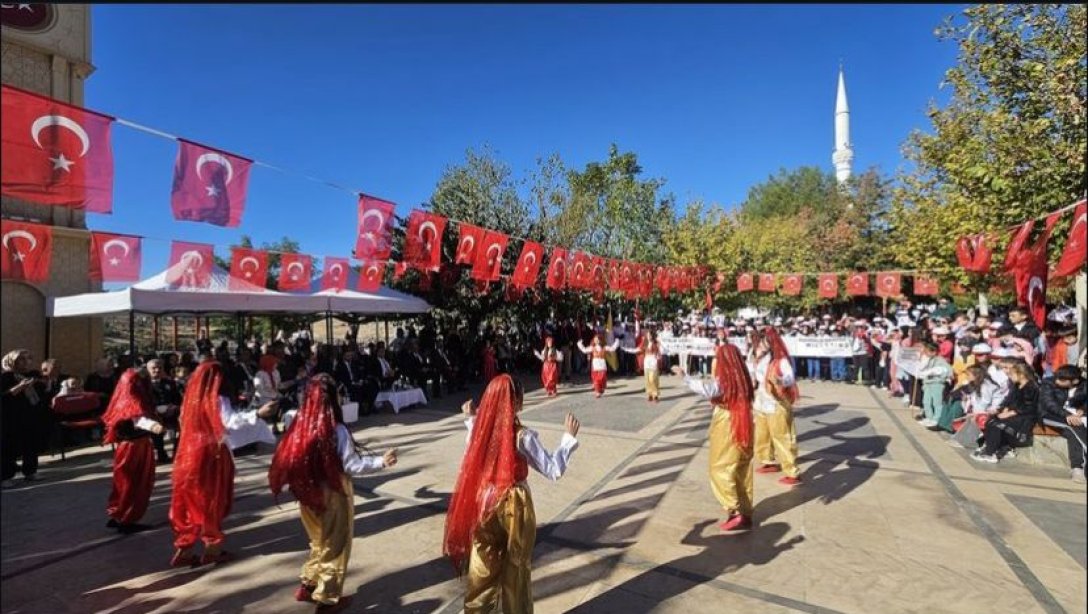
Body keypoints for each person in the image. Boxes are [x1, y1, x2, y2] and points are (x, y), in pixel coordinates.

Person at [444, 375, 580, 614]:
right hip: (514, 504)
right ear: (516, 402)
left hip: (484, 502)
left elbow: (471, 449)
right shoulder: (521, 436)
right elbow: (552, 469)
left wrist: (471, 418)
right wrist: (568, 439)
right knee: (516, 568)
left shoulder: (480, 432)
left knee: (481, 565)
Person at [268, 374, 398, 608]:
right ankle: (327, 598)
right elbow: (352, 465)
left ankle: (308, 584)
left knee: (318, 540)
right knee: (335, 544)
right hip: (333, 493)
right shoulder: (337, 431)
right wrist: (381, 461)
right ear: (333, 399)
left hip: (307, 493)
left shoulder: (298, 423)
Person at [169, 362, 276, 567]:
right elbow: (229, 421)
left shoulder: (190, 400)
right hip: (212, 454)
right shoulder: (217, 399)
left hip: (189, 454)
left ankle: (184, 548)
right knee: (213, 500)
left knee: (190, 501)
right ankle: (212, 549)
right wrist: (258, 414)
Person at [672, 343, 757, 531]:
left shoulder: (725, 380)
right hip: (744, 420)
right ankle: (745, 511)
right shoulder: (742, 377)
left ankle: (734, 511)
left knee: (720, 467)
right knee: (741, 468)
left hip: (728, 422)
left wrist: (685, 376)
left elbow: (708, 389)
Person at [102, 369, 165, 533]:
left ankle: (119, 514)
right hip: (135, 446)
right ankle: (127, 518)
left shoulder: (125, 397)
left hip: (133, 445)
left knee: (125, 482)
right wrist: (154, 426)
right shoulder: (131, 399)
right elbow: (137, 418)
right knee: (134, 482)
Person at [749, 328, 801, 486]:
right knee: (761, 433)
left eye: (764, 341)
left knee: (781, 436)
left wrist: (780, 381)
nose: (761, 343)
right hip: (761, 400)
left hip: (776, 402)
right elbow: (752, 372)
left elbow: (789, 377)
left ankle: (792, 471)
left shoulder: (780, 360)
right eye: (760, 340)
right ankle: (768, 461)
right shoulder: (757, 356)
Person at [973, 360, 1039, 463]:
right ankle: (991, 446)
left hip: (1025, 417)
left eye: (1012, 375)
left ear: (1021, 375)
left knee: (997, 425)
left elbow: (1029, 407)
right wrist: (999, 409)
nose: (1009, 377)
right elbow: (1008, 400)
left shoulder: (1031, 387)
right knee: (991, 420)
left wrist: (1010, 413)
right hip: (1015, 413)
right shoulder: (1017, 386)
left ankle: (990, 453)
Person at [1, 349, 46, 487]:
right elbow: (4, 397)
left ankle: (30, 472)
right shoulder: (5, 376)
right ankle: (5, 477)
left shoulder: (33, 375)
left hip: (30, 414)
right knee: (9, 446)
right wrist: (19, 387)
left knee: (31, 443)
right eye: (22, 359)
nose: (26, 362)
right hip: (11, 416)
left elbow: (42, 392)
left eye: (29, 358)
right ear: (12, 361)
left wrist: (44, 383)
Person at [1037, 365, 1086, 483]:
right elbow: (1049, 404)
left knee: (1073, 431)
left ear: (1074, 381)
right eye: (1057, 377)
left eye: (1062, 380)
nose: (1057, 381)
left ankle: (1078, 468)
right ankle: (1077, 468)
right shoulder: (1048, 383)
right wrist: (1067, 415)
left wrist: (1083, 409)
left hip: (1076, 416)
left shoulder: (1084, 385)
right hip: (1050, 415)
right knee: (1075, 427)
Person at [949, 364, 1007, 449]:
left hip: (992, 411)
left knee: (975, 418)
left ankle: (969, 441)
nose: (967, 377)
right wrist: (966, 400)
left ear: (976, 375)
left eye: (969, 375)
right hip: (984, 410)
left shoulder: (986, 386)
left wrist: (974, 414)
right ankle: (964, 439)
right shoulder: (978, 384)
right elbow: (976, 401)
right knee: (969, 418)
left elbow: (984, 404)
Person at [147, 359, 181, 463]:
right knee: (155, 423)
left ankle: (177, 453)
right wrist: (155, 409)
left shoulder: (170, 383)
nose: (157, 370)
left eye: (160, 368)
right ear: (148, 370)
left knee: (183, 423)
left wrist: (173, 406)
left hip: (171, 412)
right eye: (154, 368)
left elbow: (178, 398)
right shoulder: (144, 385)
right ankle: (161, 453)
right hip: (153, 413)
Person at [917, 342, 953, 429]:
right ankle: (929, 417)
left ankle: (936, 419)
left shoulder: (941, 360)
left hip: (937, 383)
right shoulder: (928, 359)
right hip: (928, 383)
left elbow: (948, 371)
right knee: (926, 401)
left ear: (934, 352)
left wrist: (936, 372)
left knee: (937, 402)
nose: (925, 353)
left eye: (927, 351)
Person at [623, 331, 663, 402]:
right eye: (647, 335)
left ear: (652, 336)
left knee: (653, 379)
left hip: (653, 362)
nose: (648, 337)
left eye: (649, 335)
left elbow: (661, 352)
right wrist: (627, 349)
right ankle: (650, 394)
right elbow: (637, 350)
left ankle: (655, 394)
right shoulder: (644, 343)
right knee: (647, 379)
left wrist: (658, 357)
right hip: (647, 362)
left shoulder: (657, 343)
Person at [577, 334, 620, 398]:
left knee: (602, 379)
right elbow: (584, 350)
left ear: (601, 340)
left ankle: (601, 388)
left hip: (602, 366)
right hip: (595, 366)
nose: (597, 341)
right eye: (595, 340)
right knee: (596, 380)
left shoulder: (604, 347)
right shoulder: (592, 348)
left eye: (598, 339)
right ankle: (597, 392)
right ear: (594, 341)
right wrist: (579, 344)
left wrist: (617, 341)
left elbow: (612, 349)